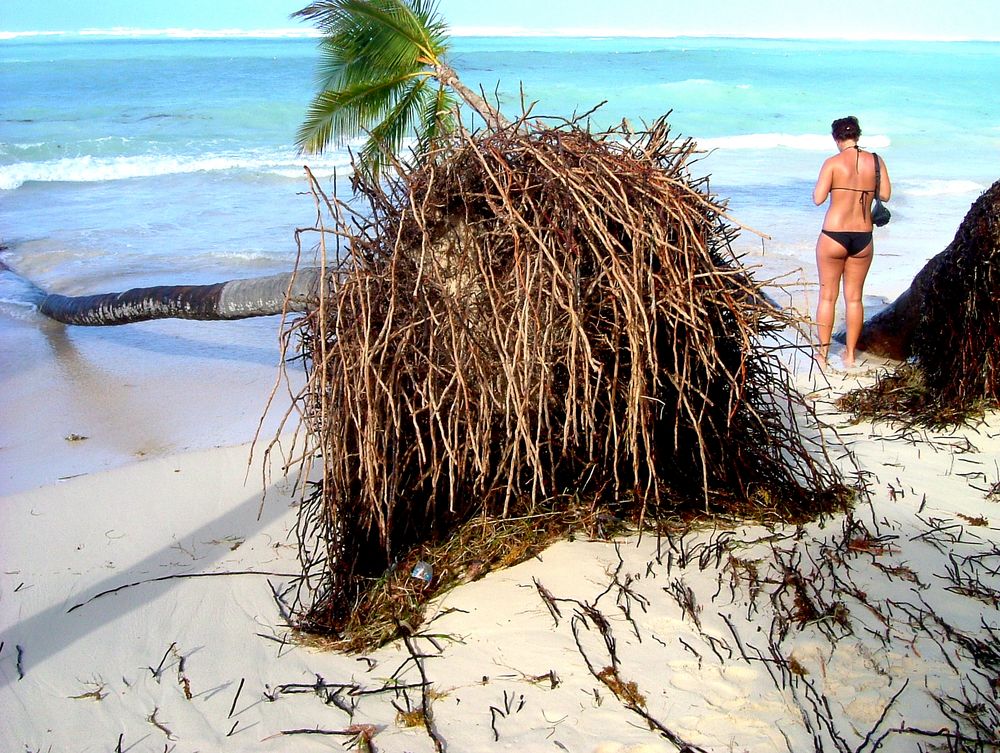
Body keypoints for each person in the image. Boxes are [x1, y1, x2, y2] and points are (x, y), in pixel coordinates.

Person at [812, 115, 891, 368]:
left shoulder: (832, 163)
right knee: (854, 298)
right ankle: (849, 356)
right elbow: (886, 195)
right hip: (863, 236)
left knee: (827, 296)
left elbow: (817, 198)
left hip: (834, 234)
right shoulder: (876, 161)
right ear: (858, 135)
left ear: (836, 138)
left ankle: (823, 357)